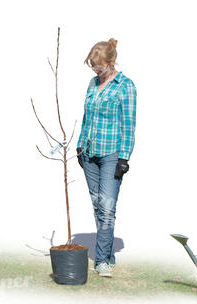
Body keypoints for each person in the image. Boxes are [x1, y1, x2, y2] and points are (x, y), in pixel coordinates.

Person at [76, 38, 136, 278]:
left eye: (99, 66)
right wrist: (80, 145)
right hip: (89, 153)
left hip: (111, 154)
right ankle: (106, 253)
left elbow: (129, 125)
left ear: (112, 62)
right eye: (92, 66)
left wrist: (125, 157)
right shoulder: (92, 84)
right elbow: (86, 117)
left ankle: (102, 261)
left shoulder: (125, 86)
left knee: (107, 207)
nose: (95, 71)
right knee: (98, 206)